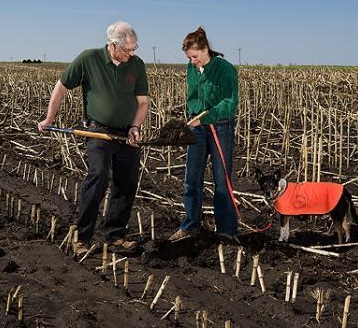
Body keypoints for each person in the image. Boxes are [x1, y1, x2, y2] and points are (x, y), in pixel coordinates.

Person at [38, 21, 150, 255]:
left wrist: (135, 127)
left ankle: (115, 235)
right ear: (113, 45)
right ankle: (82, 236)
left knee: (127, 182)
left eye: (134, 48)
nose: (131, 53)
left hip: (125, 131)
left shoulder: (137, 65)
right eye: (127, 49)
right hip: (97, 129)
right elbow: (61, 87)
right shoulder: (89, 59)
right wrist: (49, 118)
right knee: (98, 176)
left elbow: (142, 102)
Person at [168, 26, 240, 243]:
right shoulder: (191, 69)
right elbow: (192, 96)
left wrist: (207, 116)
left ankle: (226, 230)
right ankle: (190, 225)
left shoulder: (225, 69)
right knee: (192, 178)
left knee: (221, 179)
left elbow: (229, 102)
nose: (192, 61)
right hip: (196, 127)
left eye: (195, 56)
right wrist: (194, 117)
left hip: (220, 126)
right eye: (189, 58)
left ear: (206, 49)